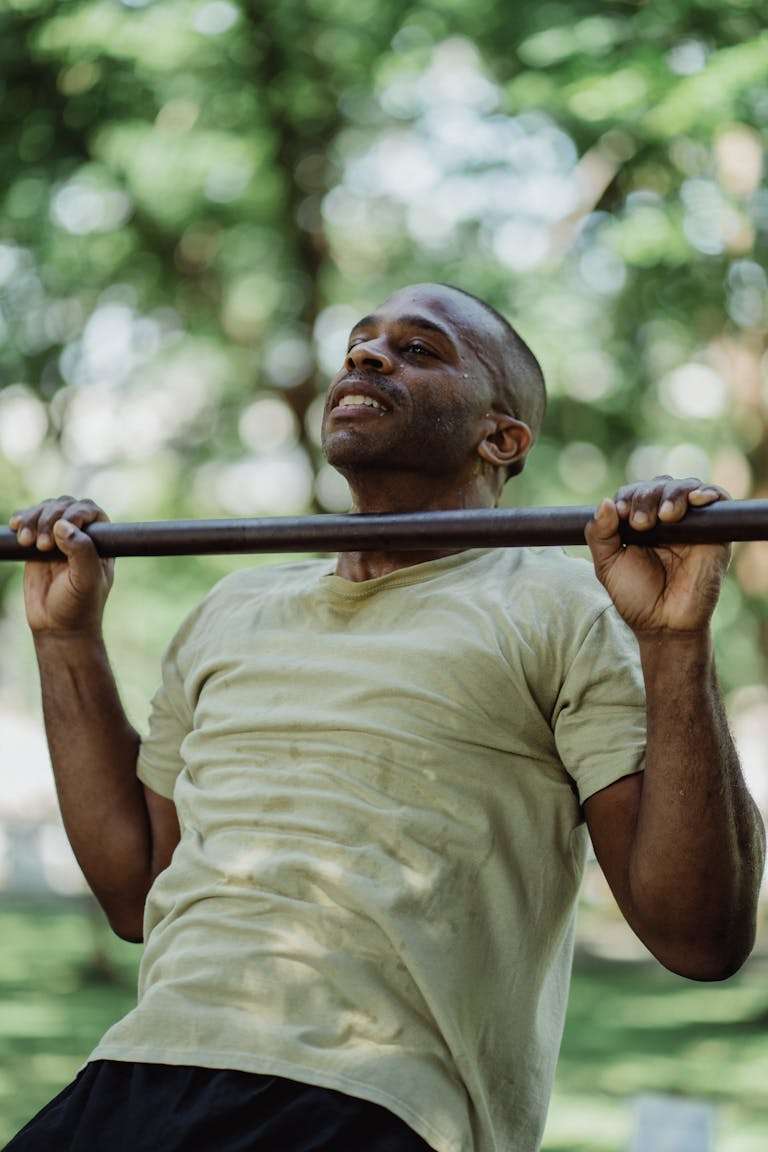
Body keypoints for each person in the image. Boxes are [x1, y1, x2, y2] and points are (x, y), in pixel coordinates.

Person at [5, 282, 765, 1152]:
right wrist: (65, 639)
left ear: (501, 436)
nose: (365, 357)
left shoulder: (566, 607)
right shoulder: (234, 604)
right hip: (136, 1072)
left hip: (370, 1103)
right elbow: (136, 889)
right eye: (360, 345)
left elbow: (701, 938)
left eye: (420, 350)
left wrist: (676, 642)